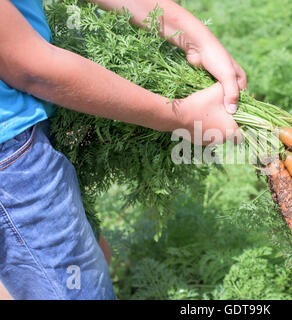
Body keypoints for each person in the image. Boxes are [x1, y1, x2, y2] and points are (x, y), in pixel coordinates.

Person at [0, 0, 246, 300]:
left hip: (19, 135)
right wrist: (178, 115)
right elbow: (32, 68)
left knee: (76, 266)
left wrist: (197, 38)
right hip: (10, 158)